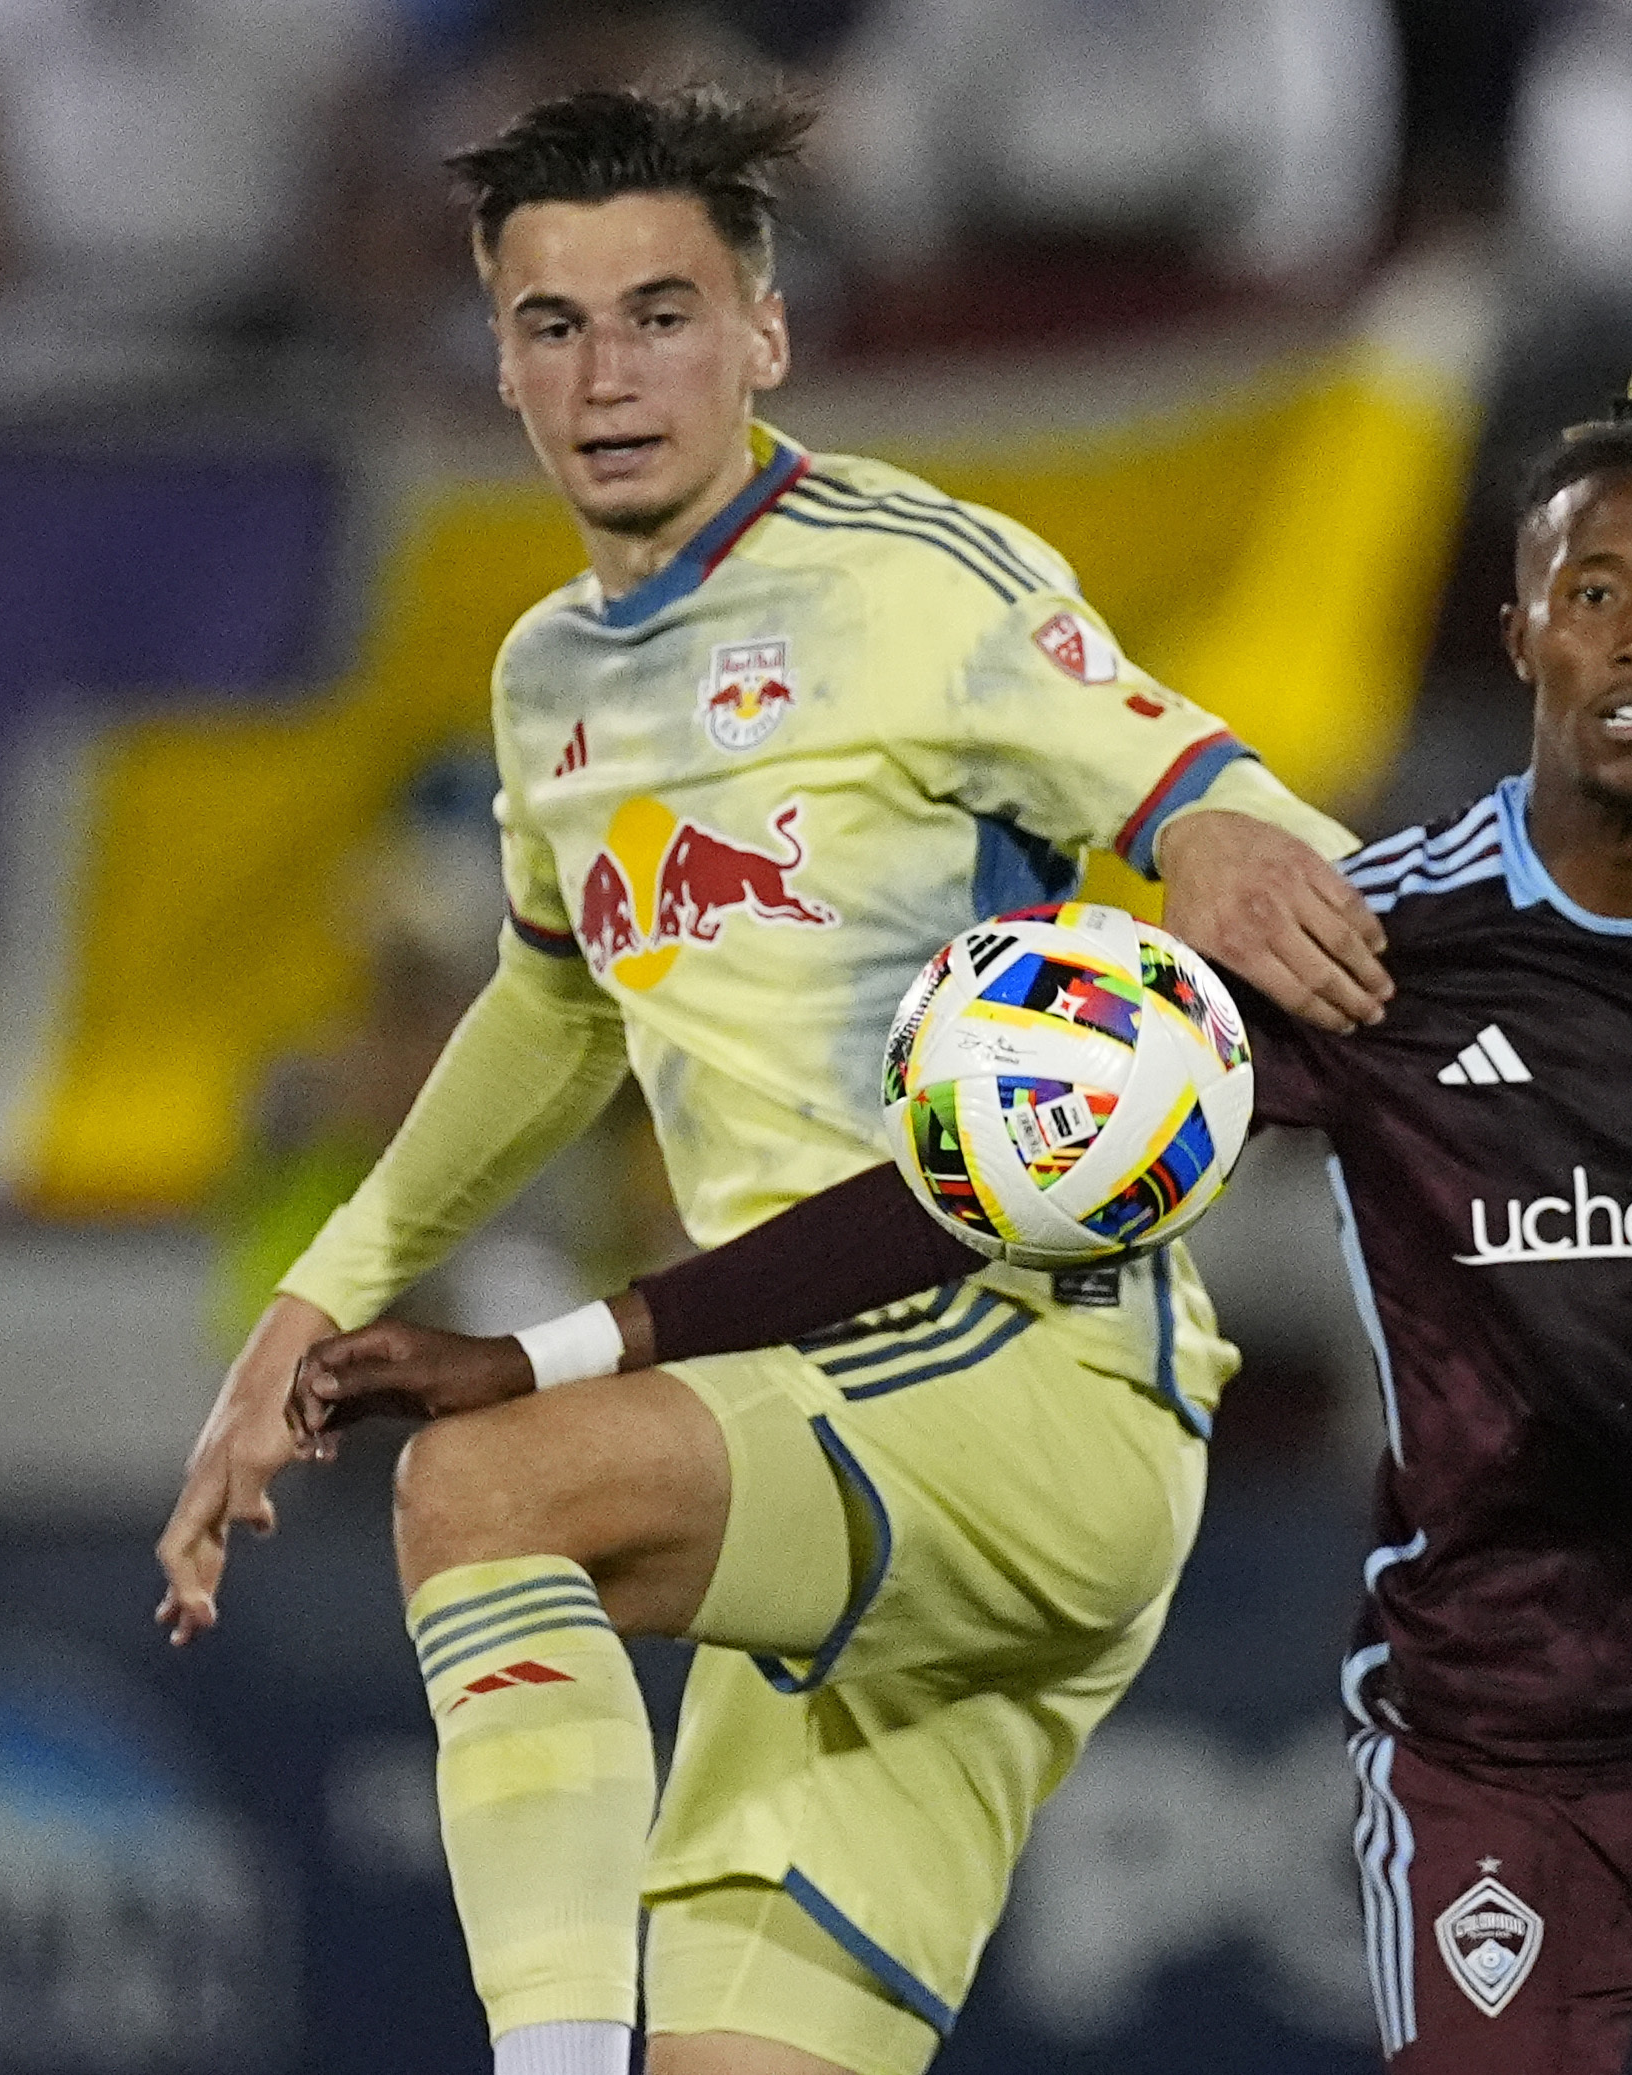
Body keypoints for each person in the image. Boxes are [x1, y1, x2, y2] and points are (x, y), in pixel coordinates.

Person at [309, 323, 1632, 2072]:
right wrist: (583, 1345)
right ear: (1518, 632)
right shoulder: (1372, 946)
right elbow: (975, 1195)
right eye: (1589, 594)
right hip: (1491, 1757)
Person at [151, 84, 1389, 2075]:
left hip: (1019, 1373)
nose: (608, 372)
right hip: (817, 1452)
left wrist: (1230, 836)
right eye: (555, 324)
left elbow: (1192, 789)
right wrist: (316, 1298)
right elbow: (553, 1016)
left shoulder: (924, 579)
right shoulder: (548, 676)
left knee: (483, 1489)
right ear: (500, 357)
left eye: (661, 311)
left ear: (766, 333)